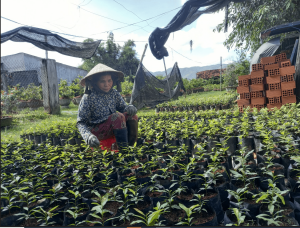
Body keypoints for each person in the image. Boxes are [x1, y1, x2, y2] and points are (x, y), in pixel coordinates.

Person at [77, 63, 138, 151]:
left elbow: (123, 108)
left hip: (114, 126)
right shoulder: (88, 97)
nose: (107, 84)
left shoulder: (114, 93)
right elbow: (81, 122)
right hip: (96, 131)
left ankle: (130, 148)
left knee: (132, 116)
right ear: (95, 82)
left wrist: (130, 108)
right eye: (102, 81)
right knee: (117, 117)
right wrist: (88, 136)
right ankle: (124, 153)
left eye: (109, 80)